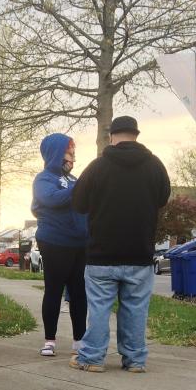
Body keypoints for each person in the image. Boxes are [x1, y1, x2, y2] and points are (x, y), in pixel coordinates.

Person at [71, 116, 171, 373]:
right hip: (139, 252)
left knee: (99, 307)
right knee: (136, 308)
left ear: (112, 136)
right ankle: (135, 359)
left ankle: (92, 358)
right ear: (136, 134)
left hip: (102, 254)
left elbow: (79, 203)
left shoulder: (97, 166)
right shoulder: (155, 166)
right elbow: (162, 198)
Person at [31, 133, 88, 357]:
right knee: (54, 290)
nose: (73, 159)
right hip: (54, 242)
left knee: (79, 292)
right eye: (69, 153)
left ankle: (79, 341)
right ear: (55, 154)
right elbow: (52, 199)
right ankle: (50, 340)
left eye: (74, 154)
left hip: (79, 244)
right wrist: (82, 186)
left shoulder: (74, 180)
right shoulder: (43, 179)